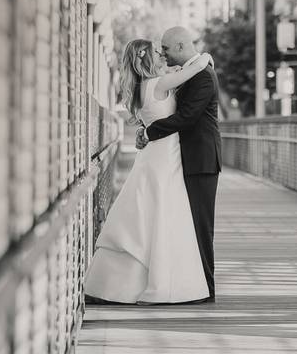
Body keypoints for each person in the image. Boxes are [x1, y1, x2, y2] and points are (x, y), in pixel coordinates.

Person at [84, 38, 213, 304]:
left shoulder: (142, 87)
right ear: (145, 57)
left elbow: (178, 78)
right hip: (166, 155)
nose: (160, 55)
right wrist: (206, 56)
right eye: (156, 52)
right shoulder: (159, 84)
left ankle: (125, 280)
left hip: (153, 154)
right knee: (164, 211)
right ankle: (164, 280)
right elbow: (193, 69)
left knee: (148, 211)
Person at [137, 26, 223, 301]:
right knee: (188, 225)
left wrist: (149, 132)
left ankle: (206, 289)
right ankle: (192, 284)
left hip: (201, 160)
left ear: (180, 47)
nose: (163, 53)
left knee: (201, 225)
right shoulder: (193, 73)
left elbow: (186, 117)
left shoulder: (203, 78)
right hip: (185, 159)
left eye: (166, 49)